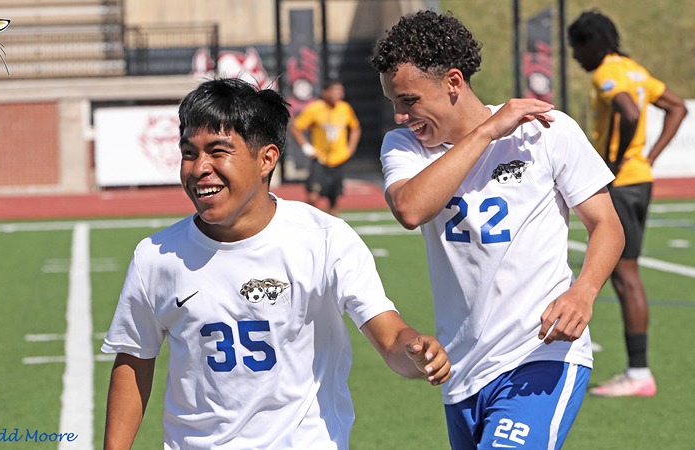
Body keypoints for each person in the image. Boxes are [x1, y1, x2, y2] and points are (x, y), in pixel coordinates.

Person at [101, 77, 451, 450]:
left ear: (266, 158)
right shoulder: (155, 256)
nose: (200, 167)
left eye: (218, 151)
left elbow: (391, 336)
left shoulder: (324, 238)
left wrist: (417, 352)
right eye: (190, 152)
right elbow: (136, 358)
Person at [370, 10, 625, 450]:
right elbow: (411, 208)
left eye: (409, 100)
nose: (399, 115)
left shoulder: (547, 131)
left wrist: (583, 292)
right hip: (464, 370)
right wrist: (487, 132)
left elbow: (607, 225)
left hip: (541, 356)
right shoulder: (404, 146)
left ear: (453, 81)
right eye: (394, 102)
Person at [568, 10, 688, 398]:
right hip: (641, 180)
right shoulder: (634, 69)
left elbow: (630, 111)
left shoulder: (606, 73)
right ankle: (637, 370)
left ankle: (638, 372)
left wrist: (615, 163)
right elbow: (677, 107)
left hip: (621, 183)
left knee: (623, 275)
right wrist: (648, 158)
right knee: (625, 273)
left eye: (577, 48)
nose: (575, 57)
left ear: (592, 44)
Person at [289, 78, 362, 216]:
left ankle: (332, 230)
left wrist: (350, 148)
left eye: (340, 91)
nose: (338, 94)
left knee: (334, 200)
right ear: (325, 92)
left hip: (338, 160)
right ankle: (310, 223)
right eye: (334, 90)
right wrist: (306, 147)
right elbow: (295, 127)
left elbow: (355, 128)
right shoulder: (315, 108)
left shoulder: (345, 108)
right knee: (313, 197)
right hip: (320, 160)